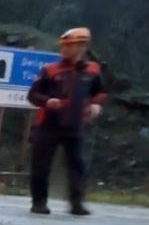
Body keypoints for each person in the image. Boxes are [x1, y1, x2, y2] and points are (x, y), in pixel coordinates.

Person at [26, 28, 107, 215]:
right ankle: (39, 202)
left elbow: (101, 92)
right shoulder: (50, 70)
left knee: (78, 164)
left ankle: (76, 203)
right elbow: (33, 95)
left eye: (69, 45)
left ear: (82, 46)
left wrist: (96, 105)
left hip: (75, 124)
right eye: (63, 45)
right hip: (48, 125)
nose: (64, 49)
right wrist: (47, 101)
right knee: (40, 165)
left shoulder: (93, 70)